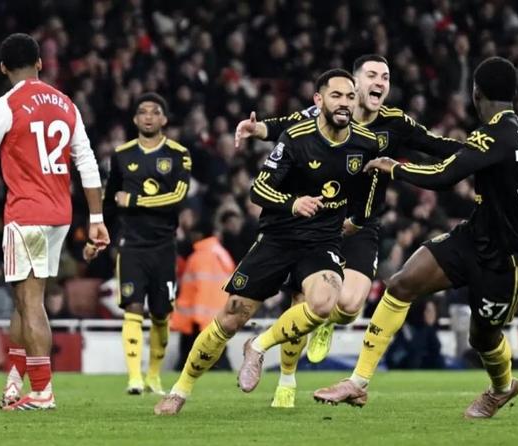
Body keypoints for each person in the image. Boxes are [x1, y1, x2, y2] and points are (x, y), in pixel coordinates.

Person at [313, 57, 518, 419]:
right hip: (473, 237)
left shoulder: (493, 136)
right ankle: (358, 382)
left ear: (476, 93)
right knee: (401, 284)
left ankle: (502, 388)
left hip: (509, 259)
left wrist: (395, 168)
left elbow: (444, 176)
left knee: (482, 338)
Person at [235, 54, 463, 407]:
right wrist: (258, 129)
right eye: (372, 74)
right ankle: (285, 378)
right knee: (306, 302)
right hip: (318, 222)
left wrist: (483, 150)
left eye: (385, 77)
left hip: (362, 222)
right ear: (354, 84)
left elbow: (436, 145)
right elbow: (289, 125)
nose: (380, 82)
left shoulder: (395, 122)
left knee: (350, 305)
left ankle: (323, 323)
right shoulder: (329, 111)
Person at [154, 68, 379, 415]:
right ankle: (179, 390)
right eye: (336, 95)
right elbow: (258, 189)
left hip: (321, 242)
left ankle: (261, 352)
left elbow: (368, 195)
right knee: (232, 315)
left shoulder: (365, 143)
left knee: (321, 303)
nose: (344, 103)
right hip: (278, 237)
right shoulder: (296, 137)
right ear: (318, 100)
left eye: (350, 96)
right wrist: (293, 203)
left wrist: (357, 222)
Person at [0, 33, 109, 411]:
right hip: (60, 215)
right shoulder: (66, 104)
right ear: (40, 63)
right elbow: (87, 162)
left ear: (2, 67)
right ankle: (15, 382)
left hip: (27, 214)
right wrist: (96, 218)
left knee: (30, 302)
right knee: (23, 299)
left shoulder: (4, 106)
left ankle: (43, 391)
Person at [102, 92, 192, 395]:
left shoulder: (179, 154)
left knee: (160, 313)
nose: (148, 116)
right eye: (143, 112)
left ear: (163, 119)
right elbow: (110, 200)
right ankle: (134, 378)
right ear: (135, 119)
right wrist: (97, 233)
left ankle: (153, 376)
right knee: (132, 306)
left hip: (164, 246)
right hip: (131, 245)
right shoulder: (121, 155)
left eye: (155, 112)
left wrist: (135, 200)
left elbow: (177, 197)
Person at [171, 214, 236, 370]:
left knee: (190, 360)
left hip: (199, 318)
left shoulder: (201, 256)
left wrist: (199, 319)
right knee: (216, 356)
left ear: (199, 235)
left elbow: (204, 289)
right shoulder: (221, 253)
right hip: (217, 315)